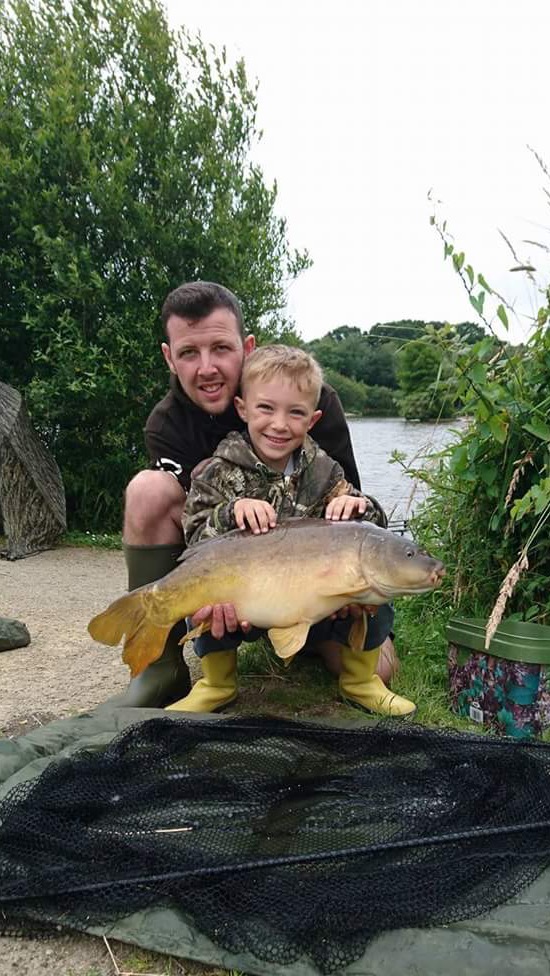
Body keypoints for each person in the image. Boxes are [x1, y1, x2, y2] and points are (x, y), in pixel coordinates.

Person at [119, 280, 371, 708]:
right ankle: (161, 666)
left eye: (220, 348)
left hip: (303, 568)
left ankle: (300, 629)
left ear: (247, 346)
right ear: (169, 357)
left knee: (380, 668)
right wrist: (206, 589)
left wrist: (342, 590)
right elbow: (194, 521)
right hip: (226, 561)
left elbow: (348, 510)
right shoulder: (167, 425)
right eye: (188, 353)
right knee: (146, 489)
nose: (207, 368)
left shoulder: (306, 399)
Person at [165, 344, 415, 718]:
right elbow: (195, 535)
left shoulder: (326, 473)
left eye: (295, 413)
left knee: (373, 582)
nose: (280, 424)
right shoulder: (219, 470)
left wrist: (360, 508)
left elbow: (377, 535)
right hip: (246, 602)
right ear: (242, 409)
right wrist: (231, 512)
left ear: (312, 420)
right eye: (266, 408)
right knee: (204, 590)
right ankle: (216, 684)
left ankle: (361, 681)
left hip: (316, 607)